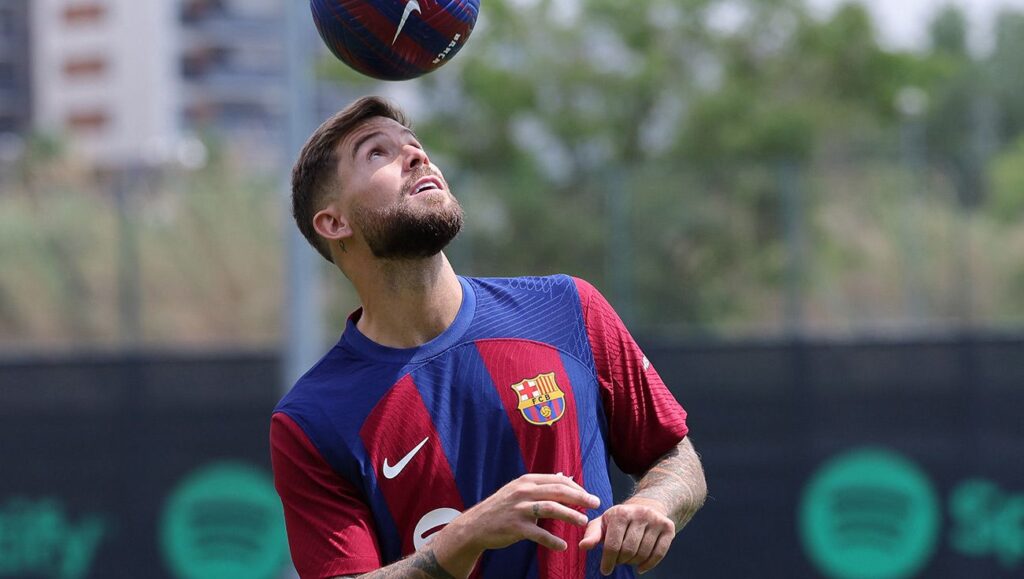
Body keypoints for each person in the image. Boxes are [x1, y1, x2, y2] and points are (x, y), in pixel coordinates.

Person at [270, 96, 707, 579]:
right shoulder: (310, 419)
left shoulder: (567, 308)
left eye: (413, 145)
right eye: (377, 153)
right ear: (334, 223)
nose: (416, 156)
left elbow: (674, 455)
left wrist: (654, 503)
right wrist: (460, 540)